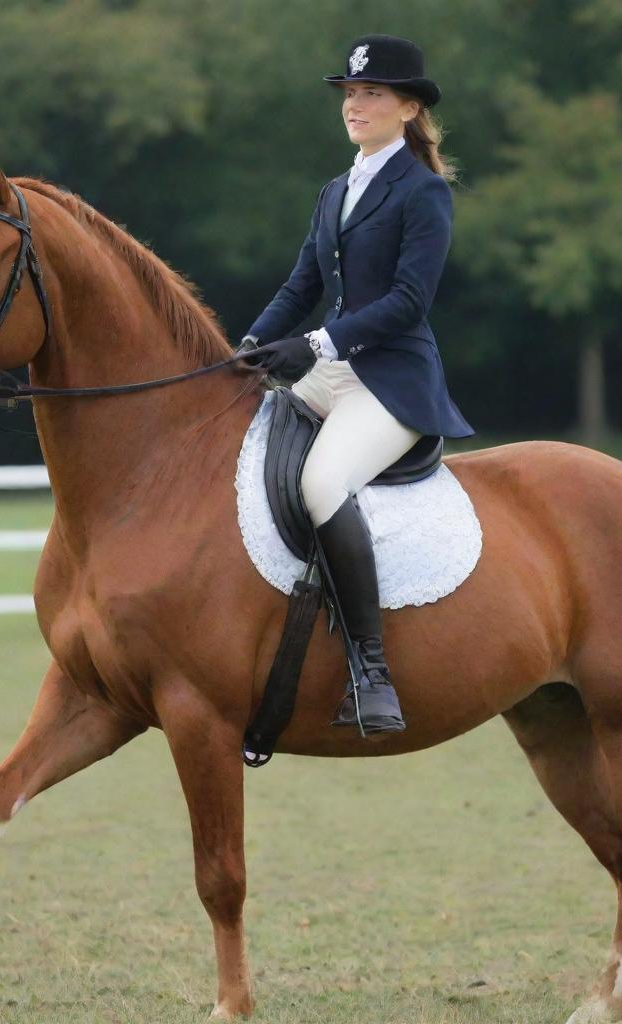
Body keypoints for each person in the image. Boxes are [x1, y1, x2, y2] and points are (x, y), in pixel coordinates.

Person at [241, 33, 475, 736]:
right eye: (350, 93)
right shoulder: (337, 190)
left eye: (372, 93)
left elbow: (408, 301)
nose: (356, 104)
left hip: (391, 381)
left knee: (320, 484)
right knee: (237, 438)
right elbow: (302, 284)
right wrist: (248, 349)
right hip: (331, 371)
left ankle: (371, 670)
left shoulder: (423, 192)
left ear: (407, 108)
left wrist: (314, 342)